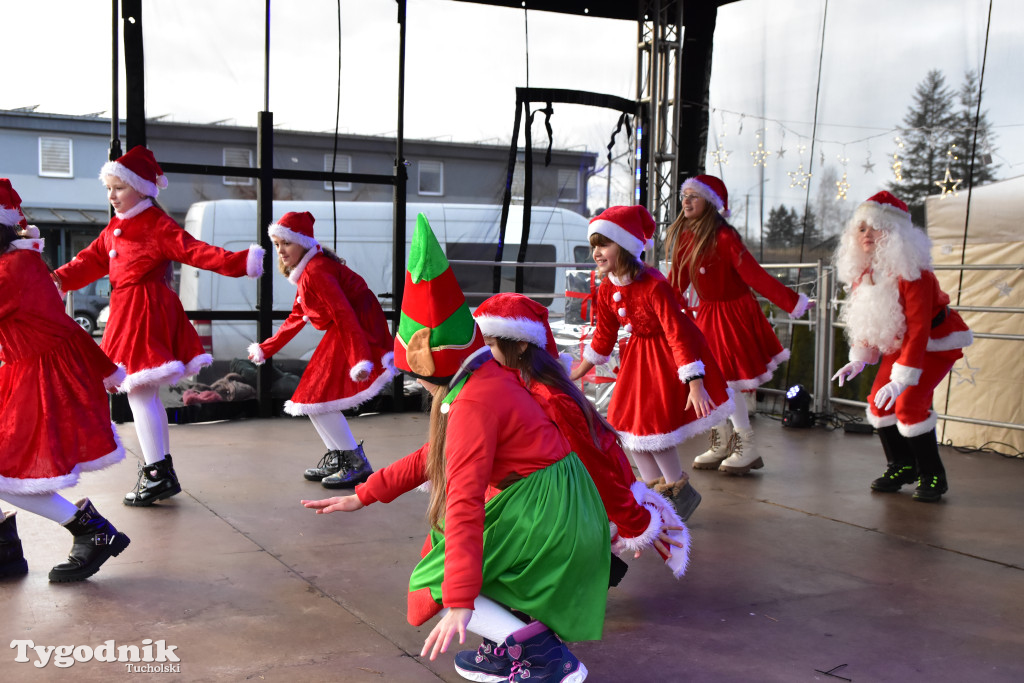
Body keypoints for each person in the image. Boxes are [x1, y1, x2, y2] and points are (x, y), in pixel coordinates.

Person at [302, 214, 607, 683]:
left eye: (415, 374)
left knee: (433, 577)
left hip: (545, 513)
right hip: (558, 503)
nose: (417, 384)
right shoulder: (485, 377)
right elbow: (434, 456)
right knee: (451, 550)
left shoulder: (471, 404)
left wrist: (458, 599)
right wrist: (364, 493)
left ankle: (541, 655)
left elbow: (464, 501)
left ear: (431, 368)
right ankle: (519, 639)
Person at [54, 146, 265, 507]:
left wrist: (242, 261)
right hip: (129, 311)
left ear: (142, 188)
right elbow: (90, 260)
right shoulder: (117, 226)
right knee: (142, 394)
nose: (112, 196)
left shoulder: (155, 223)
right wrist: (54, 279)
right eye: (109, 189)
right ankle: (159, 471)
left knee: (138, 393)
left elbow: (195, 251)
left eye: (119, 188)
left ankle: (157, 473)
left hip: (143, 313)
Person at [474, 292, 690, 578]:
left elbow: (597, 460)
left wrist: (633, 521)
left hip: (558, 509)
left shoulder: (550, 398)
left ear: (522, 343)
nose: (484, 354)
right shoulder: (513, 384)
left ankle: (588, 566)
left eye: (489, 344)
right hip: (538, 500)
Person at [0, 178, 131, 582]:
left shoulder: (14, 268)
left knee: (7, 470)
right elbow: (65, 327)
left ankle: (92, 532)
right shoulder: (16, 264)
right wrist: (104, 367)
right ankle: (5, 551)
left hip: (39, 377)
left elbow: (62, 329)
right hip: (26, 371)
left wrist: (102, 368)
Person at [568, 205, 734, 520]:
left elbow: (678, 334)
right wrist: (577, 371)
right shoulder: (607, 288)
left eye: (604, 244)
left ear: (626, 247)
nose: (597, 253)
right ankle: (654, 494)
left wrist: (695, 383)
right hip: (637, 360)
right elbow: (604, 336)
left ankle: (678, 492)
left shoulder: (655, 285)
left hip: (666, 360)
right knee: (628, 429)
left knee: (653, 429)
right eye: (594, 246)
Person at [665, 175, 811, 475]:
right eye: (685, 196)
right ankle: (722, 441)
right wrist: (659, 310)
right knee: (707, 381)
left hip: (732, 315)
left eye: (695, 196)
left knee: (728, 384)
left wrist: (791, 302)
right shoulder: (685, 238)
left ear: (711, 203)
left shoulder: (724, 237)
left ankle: (746, 444)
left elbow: (755, 276)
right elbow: (676, 284)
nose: (687, 201)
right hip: (707, 315)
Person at [831, 191, 972, 502]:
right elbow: (869, 322)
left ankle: (932, 474)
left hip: (934, 344)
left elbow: (920, 329)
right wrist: (860, 358)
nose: (867, 234)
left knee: (909, 404)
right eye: (862, 228)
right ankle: (901, 466)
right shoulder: (865, 275)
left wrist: (901, 379)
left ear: (894, 233)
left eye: (876, 227)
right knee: (879, 404)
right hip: (901, 344)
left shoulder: (914, 274)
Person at [248, 211, 395, 487]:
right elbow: (296, 316)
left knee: (316, 397)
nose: (280, 251)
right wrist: (266, 349)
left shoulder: (316, 271)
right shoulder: (306, 272)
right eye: (277, 244)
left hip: (357, 328)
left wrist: (359, 358)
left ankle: (355, 462)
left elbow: (344, 314)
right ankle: (342, 456)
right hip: (348, 329)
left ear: (302, 241)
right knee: (312, 398)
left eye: (286, 243)